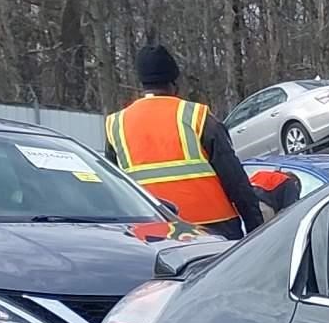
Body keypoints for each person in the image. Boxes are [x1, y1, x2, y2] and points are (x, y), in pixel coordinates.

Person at [103, 43, 268, 239]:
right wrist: (256, 231)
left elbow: (112, 190)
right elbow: (236, 182)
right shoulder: (197, 117)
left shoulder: (116, 124)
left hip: (153, 233)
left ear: (142, 82)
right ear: (174, 83)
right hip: (214, 228)